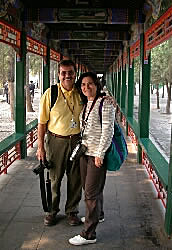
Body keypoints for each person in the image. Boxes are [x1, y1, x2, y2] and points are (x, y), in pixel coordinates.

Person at [69, 72, 116, 246]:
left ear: (97, 85)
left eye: (90, 84)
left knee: (90, 193)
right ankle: (99, 214)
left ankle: (89, 234)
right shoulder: (87, 103)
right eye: (83, 84)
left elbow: (108, 131)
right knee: (93, 189)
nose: (86, 87)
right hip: (85, 152)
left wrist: (100, 153)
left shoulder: (105, 104)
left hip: (96, 154)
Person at [36, 59, 83, 226]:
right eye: (63, 73)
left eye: (70, 72)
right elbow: (41, 123)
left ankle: (72, 211)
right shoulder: (51, 93)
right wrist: (40, 147)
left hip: (77, 141)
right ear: (58, 74)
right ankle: (52, 211)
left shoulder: (81, 92)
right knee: (55, 178)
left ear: (75, 74)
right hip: (56, 141)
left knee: (75, 178)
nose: (67, 76)